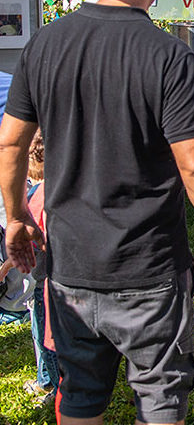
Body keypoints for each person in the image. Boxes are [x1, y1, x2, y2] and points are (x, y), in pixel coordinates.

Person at [0, 0, 194, 425]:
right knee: (160, 398)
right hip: (149, 267)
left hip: (70, 263)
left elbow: (10, 141)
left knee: (80, 393)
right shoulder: (168, 55)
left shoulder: (44, 45)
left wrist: (15, 216)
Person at [22, 129, 60, 405]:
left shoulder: (36, 196)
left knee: (47, 338)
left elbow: (28, 240)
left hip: (48, 281)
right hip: (71, 277)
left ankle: (54, 386)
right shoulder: (65, 188)